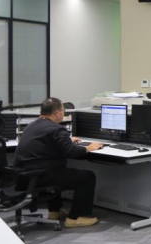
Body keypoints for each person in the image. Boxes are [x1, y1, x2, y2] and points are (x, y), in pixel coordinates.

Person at [12, 97, 103, 228]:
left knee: (57, 167)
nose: (64, 113)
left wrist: (67, 141)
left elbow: (47, 144)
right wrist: (90, 147)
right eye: (63, 110)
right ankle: (76, 218)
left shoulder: (31, 126)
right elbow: (72, 152)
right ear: (56, 112)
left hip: (22, 177)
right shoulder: (56, 129)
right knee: (87, 177)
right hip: (38, 176)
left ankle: (54, 211)